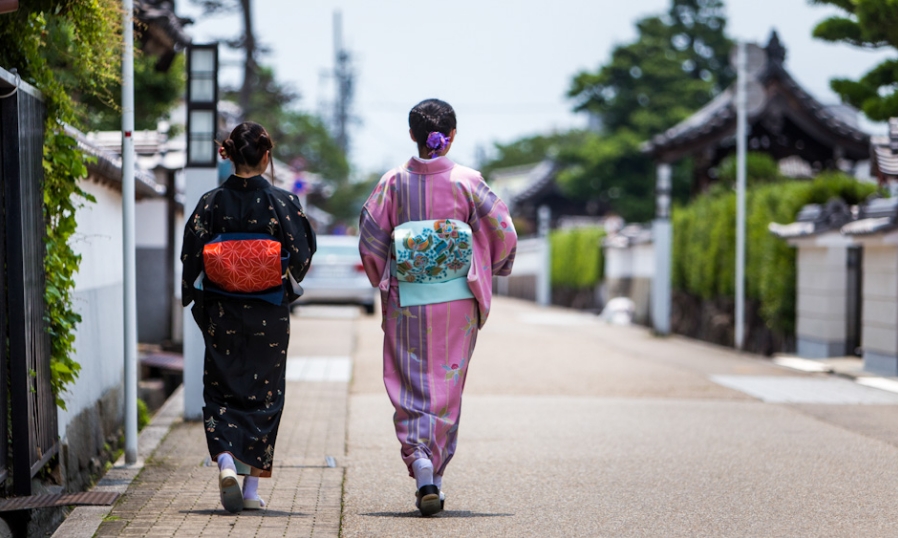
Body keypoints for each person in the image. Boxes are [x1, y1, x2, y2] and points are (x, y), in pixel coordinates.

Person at [358, 99, 517, 516]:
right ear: (452, 135)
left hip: (408, 298)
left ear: (412, 134)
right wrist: (489, 266)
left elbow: (372, 236)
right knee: (447, 383)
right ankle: (436, 474)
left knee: (411, 380)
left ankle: (420, 460)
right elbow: (503, 230)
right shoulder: (469, 181)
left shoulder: (393, 182)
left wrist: (384, 275)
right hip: (458, 300)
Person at [181, 121, 316, 513]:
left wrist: (197, 300)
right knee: (265, 395)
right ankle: (252, 490)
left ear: (228, 154)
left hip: (222, 312)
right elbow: (303, 256)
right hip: (267, 312)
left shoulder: (210, 202)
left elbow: (191, 257)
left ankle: (224, 460)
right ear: (266, 155)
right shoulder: (284, 202)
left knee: (221, 390)